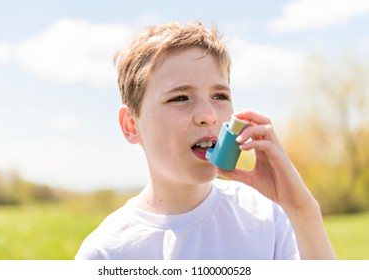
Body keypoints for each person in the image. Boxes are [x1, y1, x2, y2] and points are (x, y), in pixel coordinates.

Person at [75, 22, 336, 260]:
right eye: (180, 98)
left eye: (220, 96)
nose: (208, 116)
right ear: (131, 125)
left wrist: (302, 209)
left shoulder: (266, 217)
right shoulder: (105, 253)